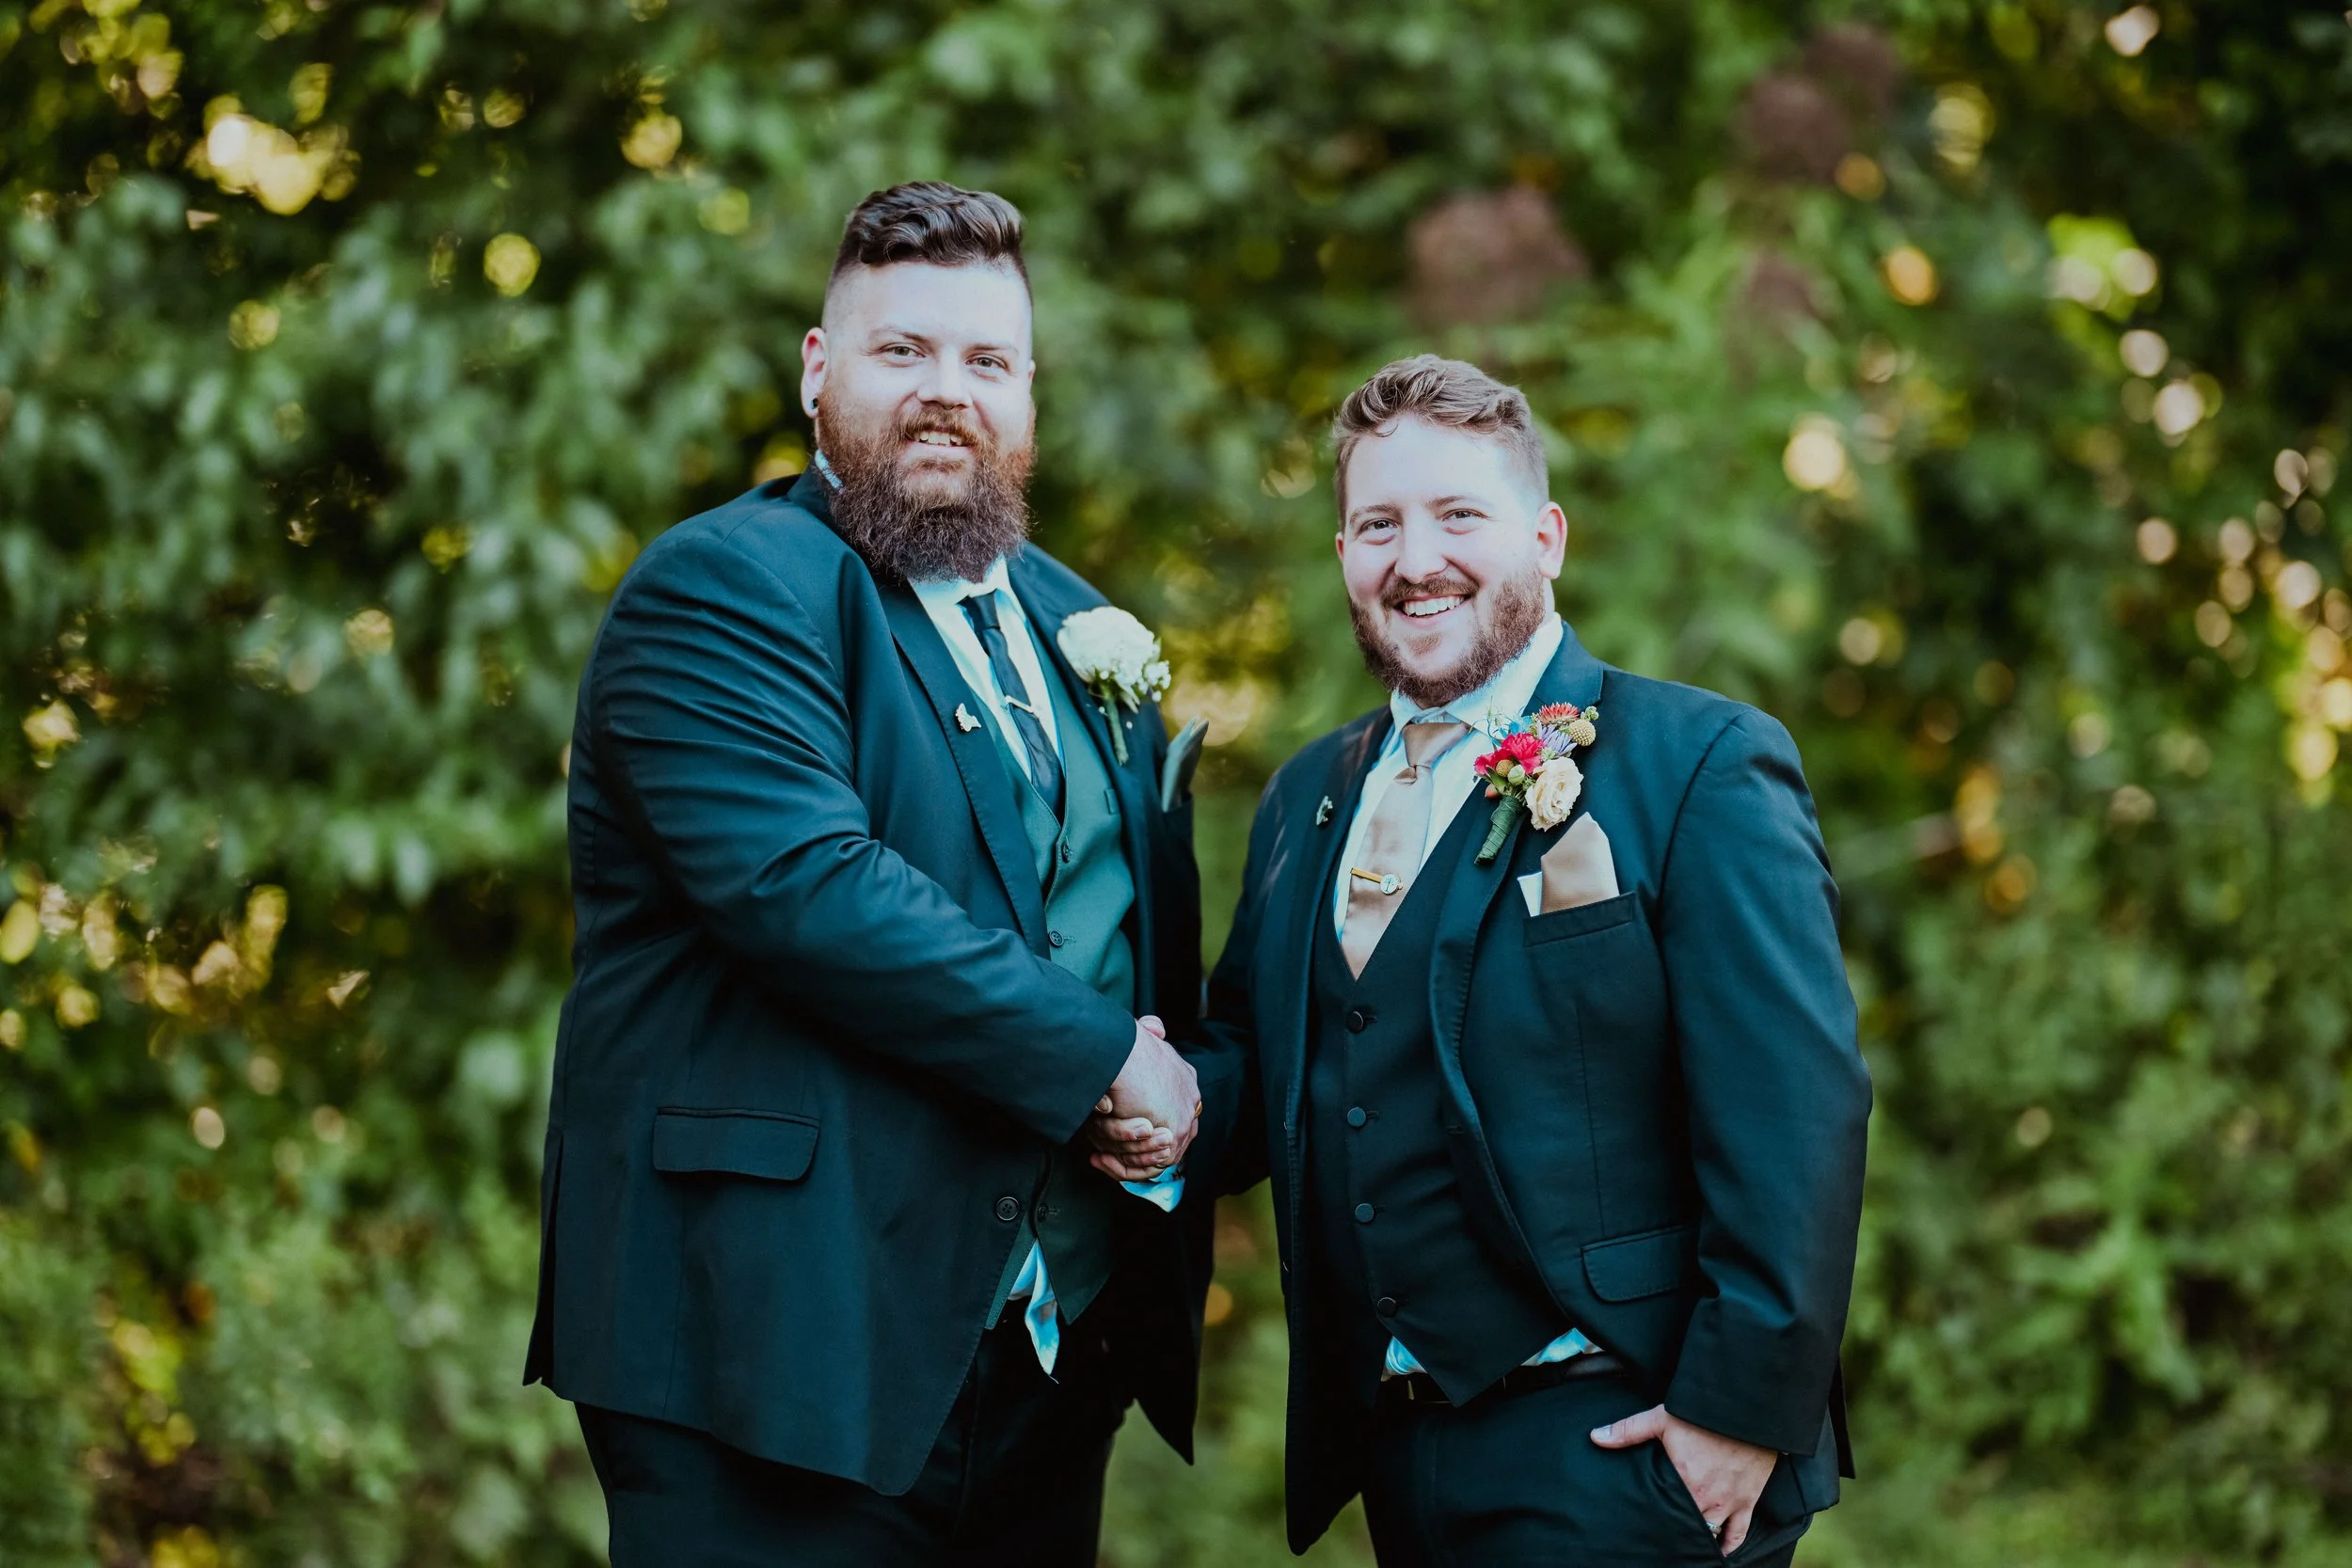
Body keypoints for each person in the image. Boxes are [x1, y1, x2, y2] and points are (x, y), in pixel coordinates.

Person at [525, 181, 1216, 1567]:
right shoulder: (724, 585)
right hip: (772, 1355)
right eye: (904, 352)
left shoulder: (1081, 621)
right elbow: (810, 887)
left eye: (987, 361)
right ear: (818, 367)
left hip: (1036, 1371)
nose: (946, 392)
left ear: (1028, 393)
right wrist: (1105, 1062)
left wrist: (1195, 1098)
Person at [1182, 355, 1870, 1562]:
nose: (1415, 558)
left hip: (1627, 1444)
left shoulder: (1697, 763)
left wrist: (1736, 1410)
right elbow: (1262, 1075)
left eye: (1459, 515)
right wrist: (1118, 1080)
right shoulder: (1306, 799)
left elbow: (1795, 1106)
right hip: (1401, 1455)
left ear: (1545, 536)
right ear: (1343, 550)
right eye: (1376, 523)